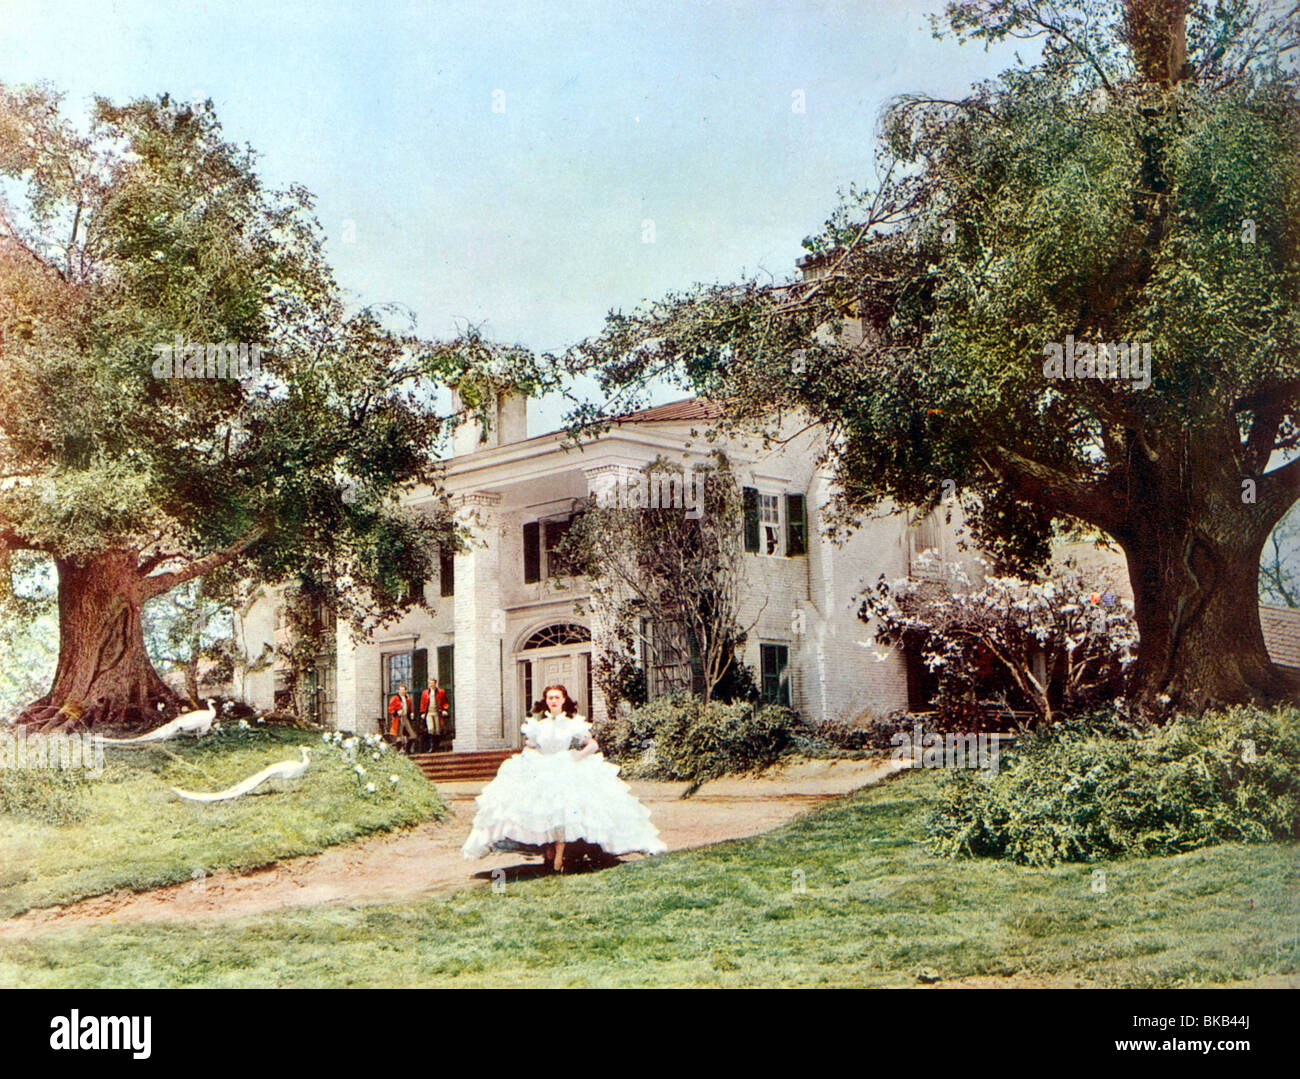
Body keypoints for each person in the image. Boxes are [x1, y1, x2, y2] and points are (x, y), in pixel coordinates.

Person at [461, 684, 667, 872]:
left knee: (564, 812)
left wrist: (577, 757)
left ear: (563, 700)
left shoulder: (572, 724)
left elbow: (593, 745)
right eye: (550, 698)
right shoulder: (538, 725)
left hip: (566, 766)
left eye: (557, 698)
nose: (553, 701)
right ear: (545, 701)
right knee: (544, 813)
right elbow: (531, 747)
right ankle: (549, 854)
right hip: (543, 767)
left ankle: (559, 857)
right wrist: (530, 760)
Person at [387, 684, 418, 752]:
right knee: (399, 735)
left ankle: (407, 749)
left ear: (405, 691)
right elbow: (390, 709)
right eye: (401, 690)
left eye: (403, 690)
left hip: (406, 717)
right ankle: (399, 751)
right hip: (398, 718)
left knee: (412, 735)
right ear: (398, 691)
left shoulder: (407, 699)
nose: (402, 692)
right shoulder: (395, 698)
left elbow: (410, 708)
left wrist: (411, 713)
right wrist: (396, 712)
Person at [421, 679, 450, 751]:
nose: (431, 685)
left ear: (435, 684)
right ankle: (432, 746)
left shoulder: (441, 692)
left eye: (433, 683)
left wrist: (444, 710)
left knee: (437, 730)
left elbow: (445, 702)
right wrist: (422, 712)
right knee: (431, 729)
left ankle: (436, 746)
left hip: (437, 712)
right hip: (429, 712)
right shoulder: (425, 693)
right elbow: (422, 703)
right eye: (430, 683)